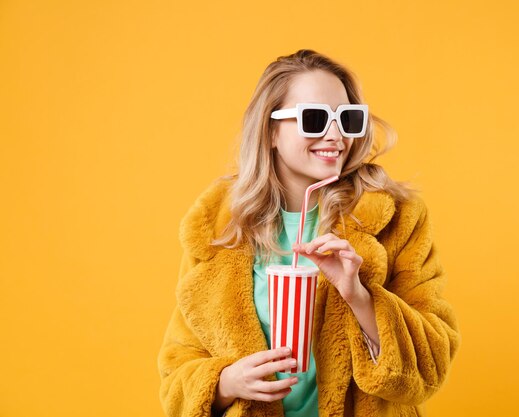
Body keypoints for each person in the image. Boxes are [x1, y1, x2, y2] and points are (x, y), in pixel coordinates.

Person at [157, 49, 461, 417]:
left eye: (347, 118)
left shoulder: (396, 217)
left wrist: (359, 295)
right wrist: (223, 383)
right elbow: (177, 372)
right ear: (271, 131)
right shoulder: (219, 226)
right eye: (315, 119)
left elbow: (431, 365)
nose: (335, 135)